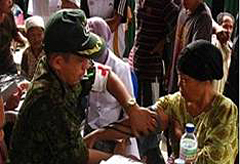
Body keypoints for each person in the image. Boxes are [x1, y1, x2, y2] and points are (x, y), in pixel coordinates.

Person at [8, 9, 157, 164]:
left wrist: (132, 108)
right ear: (58, 62)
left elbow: (106, 76)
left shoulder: (64, 68)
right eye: (81, 60)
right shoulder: (50, 101)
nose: (87, 65)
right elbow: (79, 158)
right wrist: (122, 160)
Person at [84, 40, 238, 163]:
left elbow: (213, 160)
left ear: (205, 81)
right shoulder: (177, 102)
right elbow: (142, 122)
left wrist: (179, 137)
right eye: (179, 78)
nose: (179, 85)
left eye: (185, 80)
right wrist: (97, 135)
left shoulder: (225, 112)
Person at [127, 0, 180, 163]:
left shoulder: (164, 4)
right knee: (139, 112)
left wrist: (163, 43)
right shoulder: (139, 2)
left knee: (151, 119)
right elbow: (139, 30)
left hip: (152, 69)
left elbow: (178, 23)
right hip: (136, 64)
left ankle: (153, 157)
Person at [85, 17, 140, 159]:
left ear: (107, 39)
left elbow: (130, 109)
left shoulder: (120, 68)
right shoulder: (85, 63)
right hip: (90, 127)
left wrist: (122, 141)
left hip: (113, 133)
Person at [168, 0, 212, 93]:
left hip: (189, 84)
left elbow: (196, 56)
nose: (183, 1)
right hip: (176, 77)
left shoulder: (203, 18)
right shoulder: (183, 11)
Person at [0, 0, 26, 75]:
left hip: (8, 63)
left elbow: (15, 33)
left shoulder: (9, 14)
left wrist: (27, 42)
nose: (10, 2)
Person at [211, 12, 235, 94]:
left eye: (230, 27)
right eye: (225, 26)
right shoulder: (212, 43)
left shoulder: (232, 48)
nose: (228, 31)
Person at [21, 15, 45, 81]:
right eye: (32, 35)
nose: (36, 39)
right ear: (27, 36)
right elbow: (24, 74)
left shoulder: (48, 53)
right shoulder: (26, 53)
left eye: (39, 35)